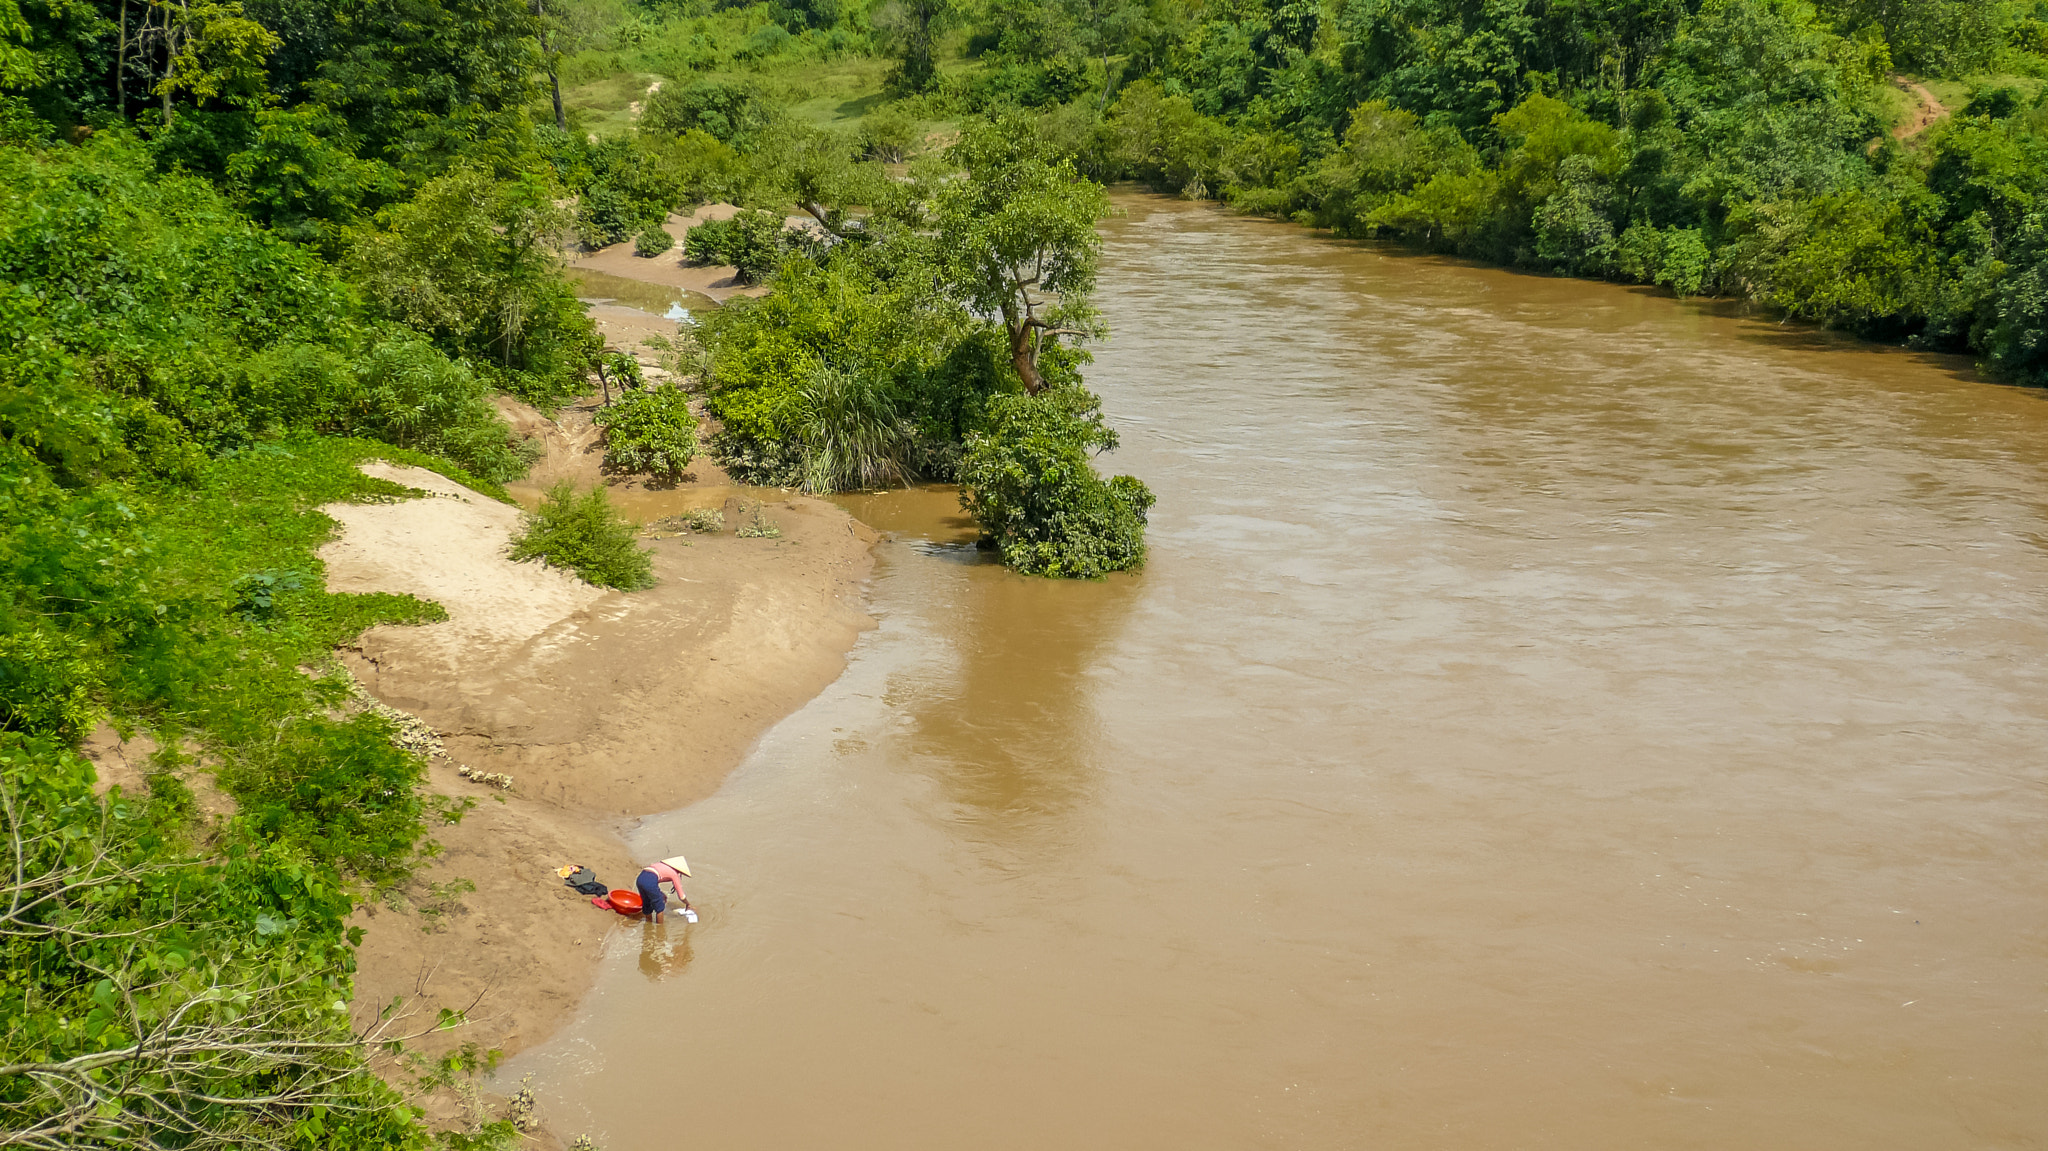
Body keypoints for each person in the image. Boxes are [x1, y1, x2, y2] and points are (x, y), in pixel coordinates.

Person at [635, 855, 691, 924]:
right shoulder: (674, 874)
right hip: (650, 882)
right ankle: (660, 930)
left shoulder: (659, 865)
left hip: (640, 879)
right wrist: (688, 904)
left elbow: (650, 880)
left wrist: (661, 894)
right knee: (660, 908)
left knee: (647, 904)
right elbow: (681, 896)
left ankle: (648, 925)